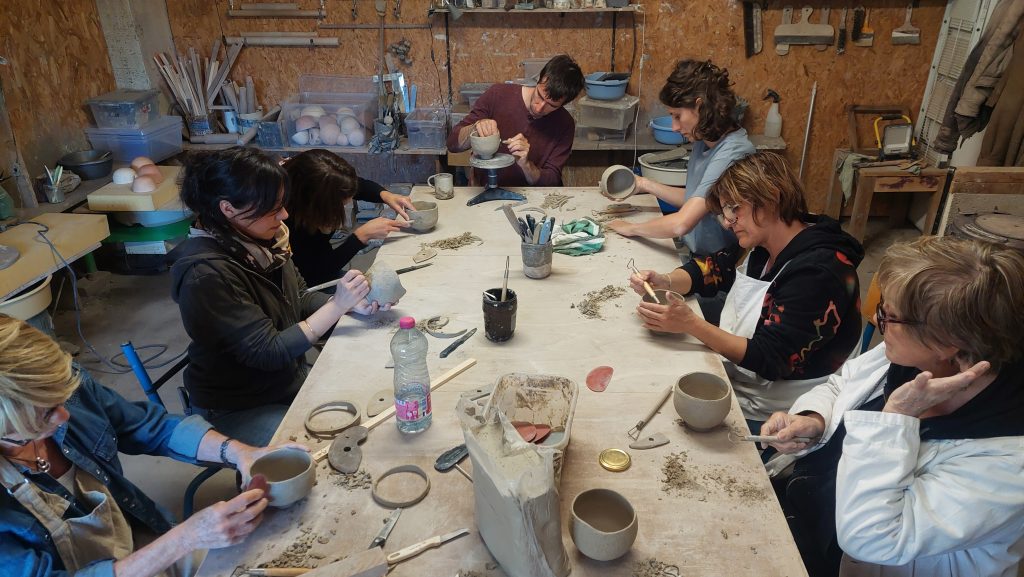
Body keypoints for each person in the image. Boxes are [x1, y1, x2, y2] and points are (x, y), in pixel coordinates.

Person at [761, 236, 1024, 577]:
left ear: (948, 343)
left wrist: (897, 416)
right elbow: (842, 383)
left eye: (888, 315)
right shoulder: (912, 359)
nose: (876, 318)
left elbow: (873, 538)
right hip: (807, 501)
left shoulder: (1007, 467)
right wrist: (815, 419)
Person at [0, 314, 299, 577]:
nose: (65, 415)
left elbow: (148, 426)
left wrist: (238, 452)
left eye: (61, 399)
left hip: (144, 544)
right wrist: (185, 538)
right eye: (45, 413)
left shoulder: (65, 387)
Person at [630, 153, 863, 428]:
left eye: (734, 209)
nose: (727, 222)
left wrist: (691, 324)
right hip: (746, 378)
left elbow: (772, 359)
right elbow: (715, 268)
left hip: (783, 410)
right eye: (725, 212)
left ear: (771, 198)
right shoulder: (766, 240)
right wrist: (666, 281)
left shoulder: (819, 273)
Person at [172, 147, 377, 446]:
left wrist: (353, 306)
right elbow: (268, 351)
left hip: (283, 382)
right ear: (228, 208)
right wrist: (336, 306)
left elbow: (300, 298)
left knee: (367, 403)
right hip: (237, 405)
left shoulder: (264, 243)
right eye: (273, 208)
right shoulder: (205, 275)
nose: (284, 215)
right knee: (321, 447)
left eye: (282, 204)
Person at [608, 59, 755, 297]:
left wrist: (633, 229)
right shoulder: (703, 139)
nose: (675, 127)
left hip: (720, 269)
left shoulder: (733, 153)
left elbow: (682, 223)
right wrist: (643, 184)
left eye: (677, 116)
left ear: (700, 107)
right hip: (697, 257)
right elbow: (694, 199)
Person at [283, 149, 415, 288]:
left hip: (323, 265)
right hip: (309, 284)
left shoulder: (317, 185)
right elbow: (317, 274)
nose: (349, 202)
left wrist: (386, 195)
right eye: (341, 204)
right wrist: (360, 237)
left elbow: (356, 186)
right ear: (316, 203)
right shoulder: (286, 224)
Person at [447, 54, 584, 187]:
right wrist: (475, 128)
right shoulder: (498, 95)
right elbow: (452, 143)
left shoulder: (565, 124)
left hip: (530, 196)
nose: (539, 108)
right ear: (538, 80)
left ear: (564, 104)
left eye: (552, 105)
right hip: (486, 189)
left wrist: (526, 165)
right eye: (540, 95)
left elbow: (552, 180)